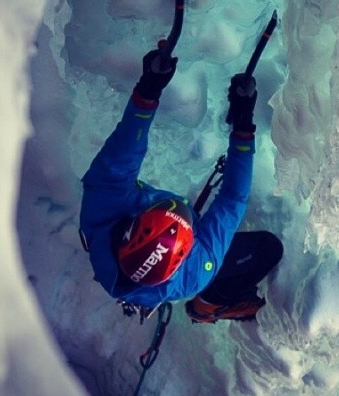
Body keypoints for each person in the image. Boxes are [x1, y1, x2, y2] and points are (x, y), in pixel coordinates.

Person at [79, 46, 283, 323]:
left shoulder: (102, 203)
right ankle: (209, 305)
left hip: (134, 244)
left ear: (132, 225)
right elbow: (232, 201)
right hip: (197, 273)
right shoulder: (194, 273)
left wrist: (149, 89)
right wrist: (244, 126)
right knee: (269, 249)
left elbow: (127, 147)